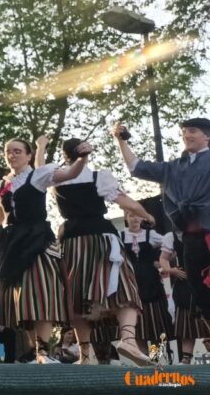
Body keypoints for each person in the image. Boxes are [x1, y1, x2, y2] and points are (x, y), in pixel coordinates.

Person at [0, 136, 91, 363]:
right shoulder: (0, 186)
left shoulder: (39, 174)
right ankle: (37, 353)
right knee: (22, 303)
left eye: (17, 151)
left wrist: (82, 157)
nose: (12, 155)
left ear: (29, 155)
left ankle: (44, 352)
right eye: (8, 151)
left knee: (40, 295)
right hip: (12, 245)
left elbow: (70, 174)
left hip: (37, 240)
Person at [46, 136, 156, 366]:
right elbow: (127, 203)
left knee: (76, 296)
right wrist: (148, 216)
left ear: (65, 156)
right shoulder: (99, 177)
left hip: (71, 241)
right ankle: (128, 340)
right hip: (100, 238)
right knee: (124, 289)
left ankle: (86, 356)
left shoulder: (55, 179)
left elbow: (39, 168)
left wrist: (39, 148)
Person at [115, 120, 210, 323]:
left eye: (192, 131)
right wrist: (120, 140)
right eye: (184, 132)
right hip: (191, 240)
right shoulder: (173, 168)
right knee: (201, 293)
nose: (187, 135)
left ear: (207, 136)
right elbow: (135, 166)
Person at [121, 210, 175, 357]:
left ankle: (157, 357)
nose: (135, 218)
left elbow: (170, 244)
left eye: (137, 215)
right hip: (131, 280)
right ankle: (143, 355)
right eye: (131, 215)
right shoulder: (121, 236)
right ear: (126, 217)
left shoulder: (150, 235)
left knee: (155, 319)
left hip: (150, 280)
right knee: (137, 320)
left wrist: (162, 262)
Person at [159, 231, 210, 364]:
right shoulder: (172, 236)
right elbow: (163, 258)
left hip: (206, 280)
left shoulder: (204, 230)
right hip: (185, 284)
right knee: (186, 322)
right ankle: (186, 358)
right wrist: (171, 270)